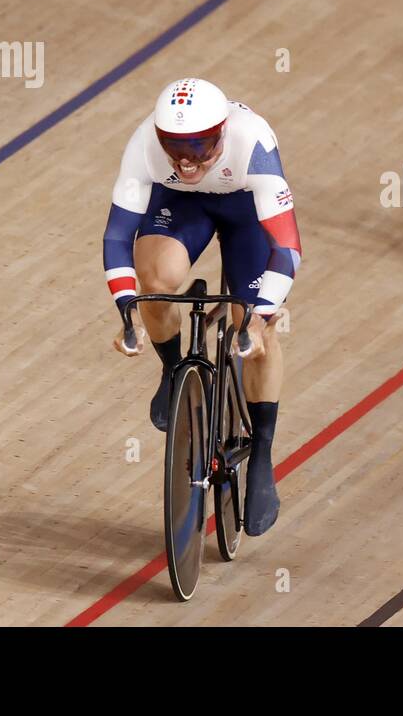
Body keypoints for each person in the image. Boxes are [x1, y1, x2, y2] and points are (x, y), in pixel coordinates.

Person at [102, 77, 301, 536]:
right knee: (152, 283)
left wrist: (261, 312)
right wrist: (126, 307)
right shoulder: (143, 145)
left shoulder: (253, 143)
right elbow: (117, 236)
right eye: (175, 147)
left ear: (223, 132)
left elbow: (286, 248)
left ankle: (263, 454)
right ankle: (174, 369)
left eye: (201, 146)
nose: (188, 159)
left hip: (245, 214)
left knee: (255, 332)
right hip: (181, 206)